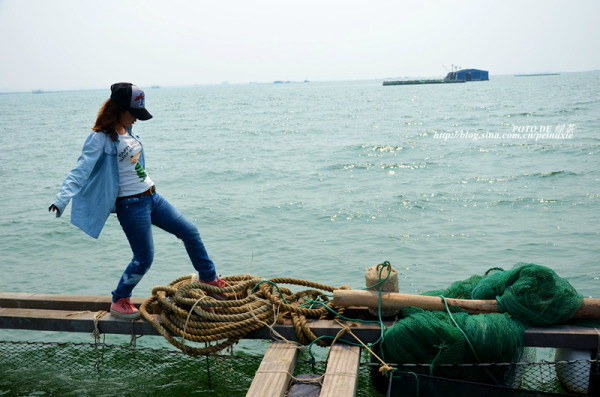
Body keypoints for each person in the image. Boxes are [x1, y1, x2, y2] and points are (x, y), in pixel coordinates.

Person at [49, 82, 225, 320]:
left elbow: (133, 165)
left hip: (152, 197)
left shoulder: (128, 131)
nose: (136, 119)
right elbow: (80, 169)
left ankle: (209, 279)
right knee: (144, 257)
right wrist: (61, 199)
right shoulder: (100, 138)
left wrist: (145, 180)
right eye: (134, 113)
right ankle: (120, 299)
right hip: (130, 205)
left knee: (190, 232)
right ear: (119, 109)